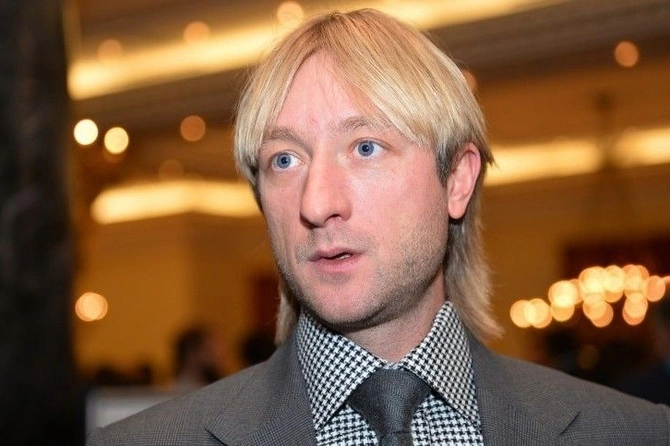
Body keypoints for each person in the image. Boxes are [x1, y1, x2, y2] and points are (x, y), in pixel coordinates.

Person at [87, 9, 670, 445]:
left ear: (457, 179)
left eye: (365, 147)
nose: (317, 203)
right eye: (284, 160)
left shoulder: (632, 433)